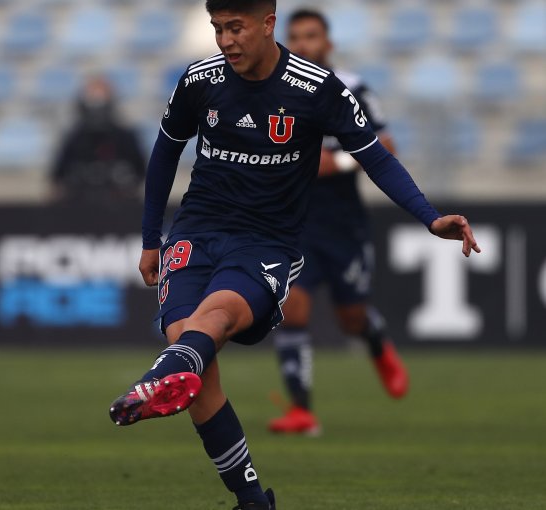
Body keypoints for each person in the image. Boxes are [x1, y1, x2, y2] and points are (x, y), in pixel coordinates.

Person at [106, 1, 480, 509]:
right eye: (217, 29)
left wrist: (430, 217)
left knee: (206, 327)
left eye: (235, 28)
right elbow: (165, 152)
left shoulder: (318, 90)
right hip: (196, 232)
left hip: (266, 242)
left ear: (266, 23)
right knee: (194, 360)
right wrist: (152, 238)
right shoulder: (199, 80)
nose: (225, 40)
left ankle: (161, 377)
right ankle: (252, 500)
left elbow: (377, 157)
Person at [267, 8, 406, 436]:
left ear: (328, 43)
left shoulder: (354, 88)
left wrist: (339, 163)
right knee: (292, 307)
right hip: (295, 223)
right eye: (296, 37)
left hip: (344, 224)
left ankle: (375, 339)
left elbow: (386, 146)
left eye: (312, 36)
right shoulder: (274, 91)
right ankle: (301, 410)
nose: (304, 44)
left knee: (351, 318)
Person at [49, 76, 146, 203]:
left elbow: (140, 171)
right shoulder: (74, 137)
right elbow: (58, 175)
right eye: (92, 99)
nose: (97, 107)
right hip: (78, 205)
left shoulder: (125, 136)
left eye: (101, 99)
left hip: (119, 206)